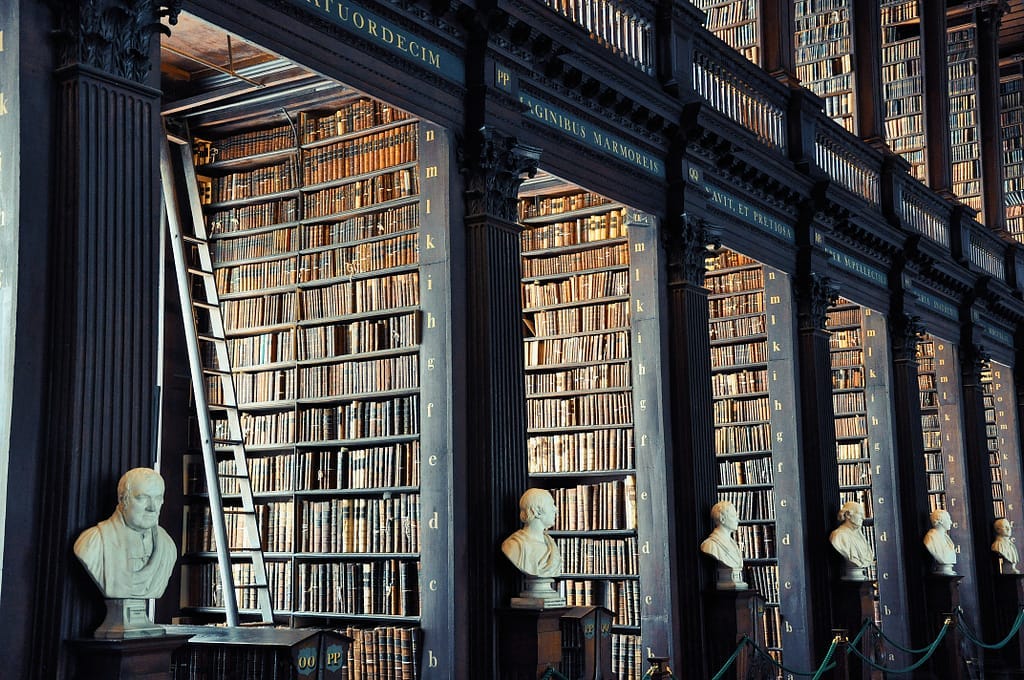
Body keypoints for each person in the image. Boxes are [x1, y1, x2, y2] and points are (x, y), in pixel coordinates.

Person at [74, 467, 177, 600]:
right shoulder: (93, 543)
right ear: (123, 500)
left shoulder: (167, 546)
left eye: (157, 498)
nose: (152, 507)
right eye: (142, 498)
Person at [501, 488, 562, 578]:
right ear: (537, 511)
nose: (555, 510)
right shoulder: (514, 545)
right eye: (551, 505)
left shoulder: (551, 544)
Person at [700, 500, 747, 590]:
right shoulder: (710, 545)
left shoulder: (733, 544)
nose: (738, 519)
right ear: (722, 519)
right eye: (734, 516)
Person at [829, 500, 874, 581]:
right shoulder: (838, 536)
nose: (863, 517)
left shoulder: (860, 535)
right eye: (860, 514)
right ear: (848, 515)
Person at [923, 509, 957, 576]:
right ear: (940, 521)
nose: (951, 522)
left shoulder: (946, 538)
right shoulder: (931, 538)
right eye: (948, 519)